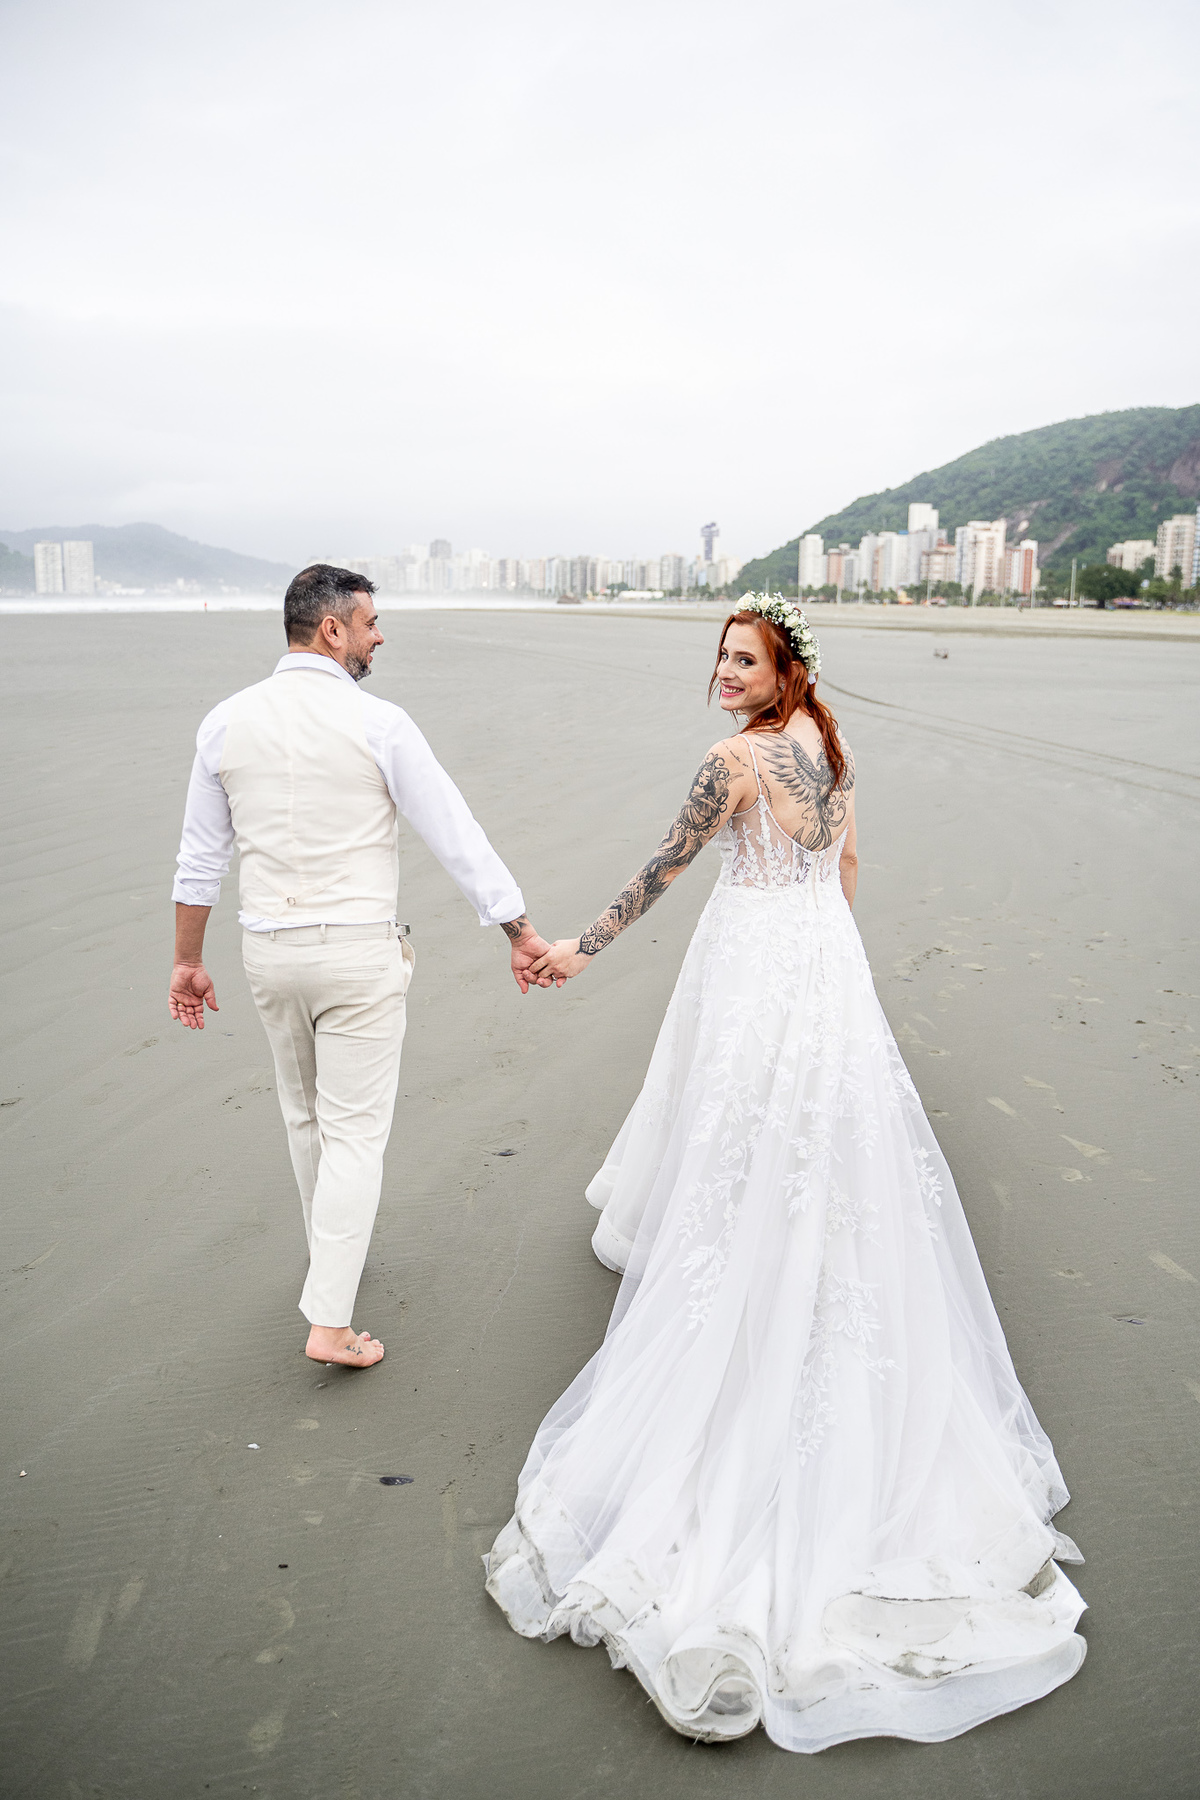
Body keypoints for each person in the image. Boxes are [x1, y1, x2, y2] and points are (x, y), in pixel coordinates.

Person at [485, 594, 1086, 1751]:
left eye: (743, 658)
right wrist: (830, 965)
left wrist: (573, 949)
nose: (723, 673)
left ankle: (752, 1297)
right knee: (833, 1155)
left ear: (782, 668)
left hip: (760, 972)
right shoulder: (831, 745)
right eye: (718, 656)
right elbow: (849, 862)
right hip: (822, 969)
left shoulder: (733, 764)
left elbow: (661, 871)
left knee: (741, 1146)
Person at [169, 564, 551, 1369]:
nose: (380, 635)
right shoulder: (380, 724)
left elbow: (200, 859)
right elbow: (454, 831)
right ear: (331, 629)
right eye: (371, 621)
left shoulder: (224, 723)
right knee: (355, 1134)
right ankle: (330, 1323)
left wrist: (186, 962)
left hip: (268, 953)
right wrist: (516, 928)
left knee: (305, 1118)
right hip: (355, 954)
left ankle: (328, 1264)